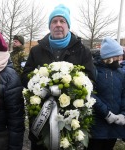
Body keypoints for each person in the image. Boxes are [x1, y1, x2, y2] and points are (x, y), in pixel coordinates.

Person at [21, 4, 96, 150]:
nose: (58, 25)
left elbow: (91, 78)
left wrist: (70, 87)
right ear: (50, 26)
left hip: (71, 118)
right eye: (54, 21)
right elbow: (25, 77)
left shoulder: (82, 50)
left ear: (68, 25)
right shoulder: (37, 50)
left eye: (62, 21)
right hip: (41, 118)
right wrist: (40, 83)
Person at [86, 37, 125, 150]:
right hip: (97, 126)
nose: (119, 58)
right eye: (116, 56)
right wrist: (106, 114)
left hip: (114, 126)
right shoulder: (94, 71)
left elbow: (124, 95)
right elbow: (90, 95)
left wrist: (123, 114)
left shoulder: (120, 73)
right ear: (108, 57)